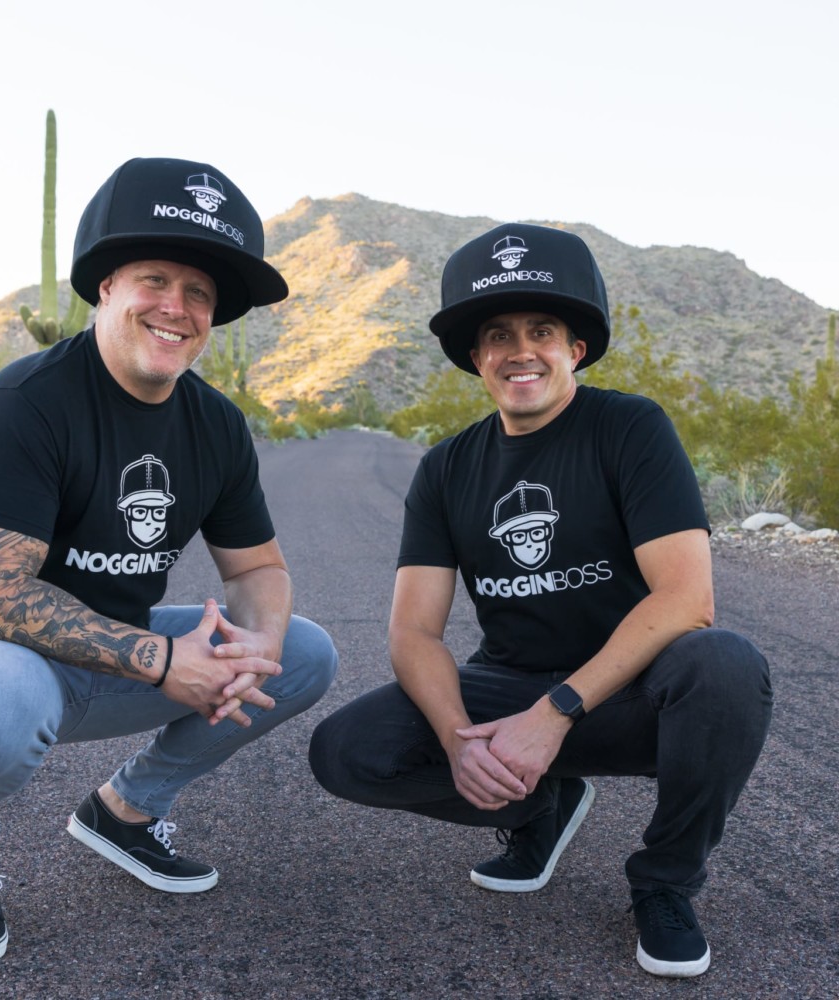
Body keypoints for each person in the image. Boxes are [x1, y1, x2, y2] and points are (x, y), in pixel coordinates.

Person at [0, 157, 337, 963]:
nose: (176, 307)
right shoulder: (24, 404)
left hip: (111, 654)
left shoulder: (216, 424)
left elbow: (257, 571)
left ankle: (126, 810)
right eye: (154, 280)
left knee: (305, 652)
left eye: (198, 292)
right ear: (105, 286)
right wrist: (165, 661)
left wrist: (257, 649)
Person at [308, 223, 772, 979]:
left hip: (628, 693)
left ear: (575, 349)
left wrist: (553, 715)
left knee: (724, 667)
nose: (520, 350)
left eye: (542, 331)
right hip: (509, 684)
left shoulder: (630, 429)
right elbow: (414, 632)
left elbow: (688, 598)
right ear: (477, 358)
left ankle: (665, 882)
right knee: (346, 751)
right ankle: (534, 807)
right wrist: (459, 741)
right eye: (498, 335)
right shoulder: (446, 468)